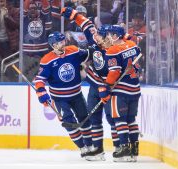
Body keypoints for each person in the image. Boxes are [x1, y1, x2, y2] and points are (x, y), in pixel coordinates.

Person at [61, 7, 121, 161]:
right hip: (95, 87)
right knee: (94, 118)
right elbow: (87, 25)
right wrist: (75, 15)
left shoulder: (114, 51)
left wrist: (107, 87)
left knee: (112, 118)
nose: (97, 37)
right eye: (99, 35)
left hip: (111, 89)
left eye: (101, 36)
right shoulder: (96, 42)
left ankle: (119, 147)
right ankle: (98, 149)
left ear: (109, 37)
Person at [33, 31, 93, 158]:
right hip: (60, 99)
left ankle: (90, 146)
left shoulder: (73, 50)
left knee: (84, 119)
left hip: (76, 94)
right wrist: (41, 92)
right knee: (69, 122)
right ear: (53, 45)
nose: (62, 44)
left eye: (63, 41)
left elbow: (89, 54)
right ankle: (82, 147)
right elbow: (39, 79)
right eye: (59, 42)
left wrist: (97, 48)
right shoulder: (47, 60)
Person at [103, 25, 142, 162]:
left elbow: (114, 72)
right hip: (135, 88)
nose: (108, 37)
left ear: (115, 36)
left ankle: (124, 148)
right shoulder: (132, 44)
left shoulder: (113, 50)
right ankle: (134, 150)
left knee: (120, 120)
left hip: (120, 90)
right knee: (131, 120)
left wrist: (107, 86)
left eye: (110, 35)